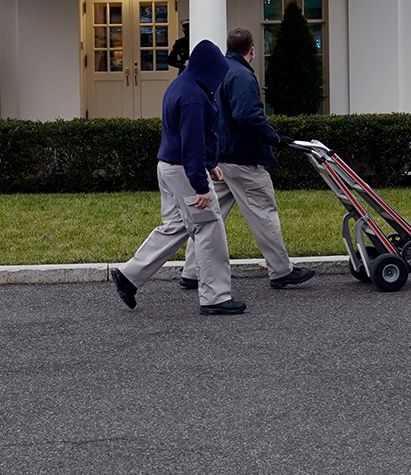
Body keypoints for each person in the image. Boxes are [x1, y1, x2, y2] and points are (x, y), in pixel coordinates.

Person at [111, 39, 245, 315]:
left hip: (168, 167)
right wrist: (201, 185)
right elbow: (192, 144)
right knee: (209, 227)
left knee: (176, 225)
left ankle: (129, 275)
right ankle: (215, 297)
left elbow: (188, 138)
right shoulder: (195, 97)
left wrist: (210, 164)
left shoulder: (181, 84)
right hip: (185, 170)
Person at [180, 28, 316, 292]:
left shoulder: (218, 72)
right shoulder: (241, 75)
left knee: (208, 216)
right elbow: (248, 116)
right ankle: (281, 270)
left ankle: (192, 271)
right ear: (251, 50)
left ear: (227, 47)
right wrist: (275, 139)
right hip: (242, 158)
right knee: (263, 211)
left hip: (219, 157)